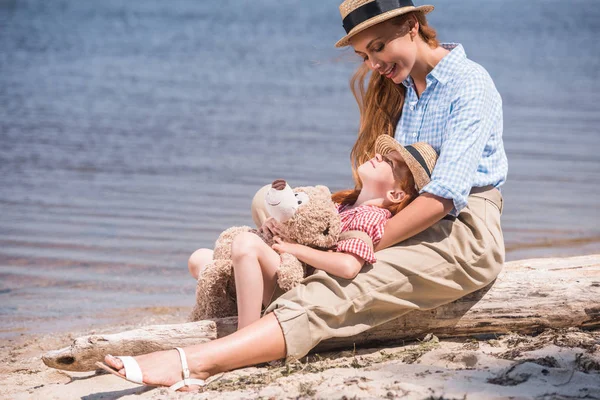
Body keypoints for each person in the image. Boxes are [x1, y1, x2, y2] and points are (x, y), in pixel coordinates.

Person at [99, 0, 508, 391]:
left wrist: (353, 245)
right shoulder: (409, 90)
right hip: (412, 221)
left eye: (379, 47)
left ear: (411, 26)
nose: (374, 64)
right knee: (298, 255)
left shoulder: (468, 83)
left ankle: (196, 361)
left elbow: (442, 197)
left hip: (462, 232)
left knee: (346, 285)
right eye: (366, 55)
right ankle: (243, 305)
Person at [188, 137, 437, 331]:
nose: (379, 156)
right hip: (287, 270)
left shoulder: (370, 216)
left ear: (396, 195)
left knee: (244, 243)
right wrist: (276, 231)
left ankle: (246, 335)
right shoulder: (343, 205)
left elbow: (349, 266)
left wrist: (293, 249)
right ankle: (246, 307)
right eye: (384, 154)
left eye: (390, 163)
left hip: (296, 285)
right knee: (199, 258)